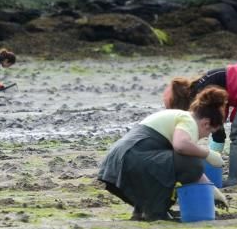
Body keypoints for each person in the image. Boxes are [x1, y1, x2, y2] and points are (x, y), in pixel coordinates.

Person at [98, 87, 229, 221]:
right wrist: (206, 153)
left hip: (116, 164)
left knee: (185, 162)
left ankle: (143, 210)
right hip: (132, 158)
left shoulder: (178, 116)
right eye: (210, 132)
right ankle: (155, 211)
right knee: (193, 163)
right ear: (206, 123)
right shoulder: (188, 120)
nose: (206, 136)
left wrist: (211, 190)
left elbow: (181, 161)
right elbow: (181, 146)